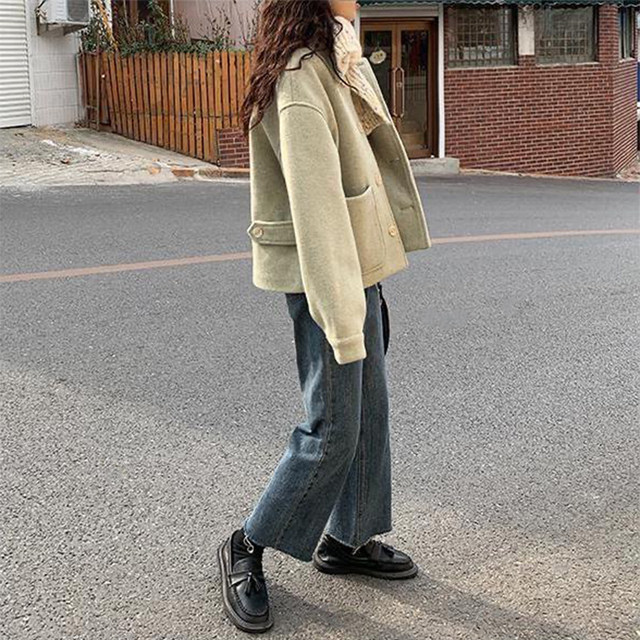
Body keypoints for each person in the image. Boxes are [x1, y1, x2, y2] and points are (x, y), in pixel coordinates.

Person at [217, 0, 432, 633]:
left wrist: (351, 52)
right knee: (333, 426)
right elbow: (317, 214)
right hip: (325, 272)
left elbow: (368, 151)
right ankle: (246, 543)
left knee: (369, 412)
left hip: (353, 265)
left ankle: (348, 539)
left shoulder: (335, 59)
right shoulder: (300, 78)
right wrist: (342, 314)